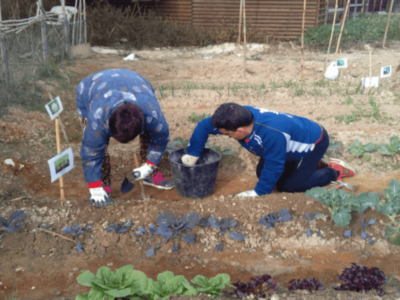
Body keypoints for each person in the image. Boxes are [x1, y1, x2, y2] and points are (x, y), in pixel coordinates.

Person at [182, 103, 355, 197]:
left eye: (228, 135)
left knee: (288, 186)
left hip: (312, 143)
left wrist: (257, 193)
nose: (225, 135)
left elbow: (274, 167)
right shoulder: (238, 118)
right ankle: (307, 167)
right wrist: (193, 153)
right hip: (287, 143)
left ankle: (332, 171)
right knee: (262, 173)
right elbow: (205, 125)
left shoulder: (271, 135)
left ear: (240, 131)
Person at [76, 69, 174, 207]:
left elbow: (160, 138)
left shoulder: (152, 113)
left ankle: (150, 175)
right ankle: (102, 185)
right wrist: (94, 185)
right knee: (97, 144)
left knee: (151, 133)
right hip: (92, 86)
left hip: (136, 83)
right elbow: (91, 152)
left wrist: (149, 165)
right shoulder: (97, 120)